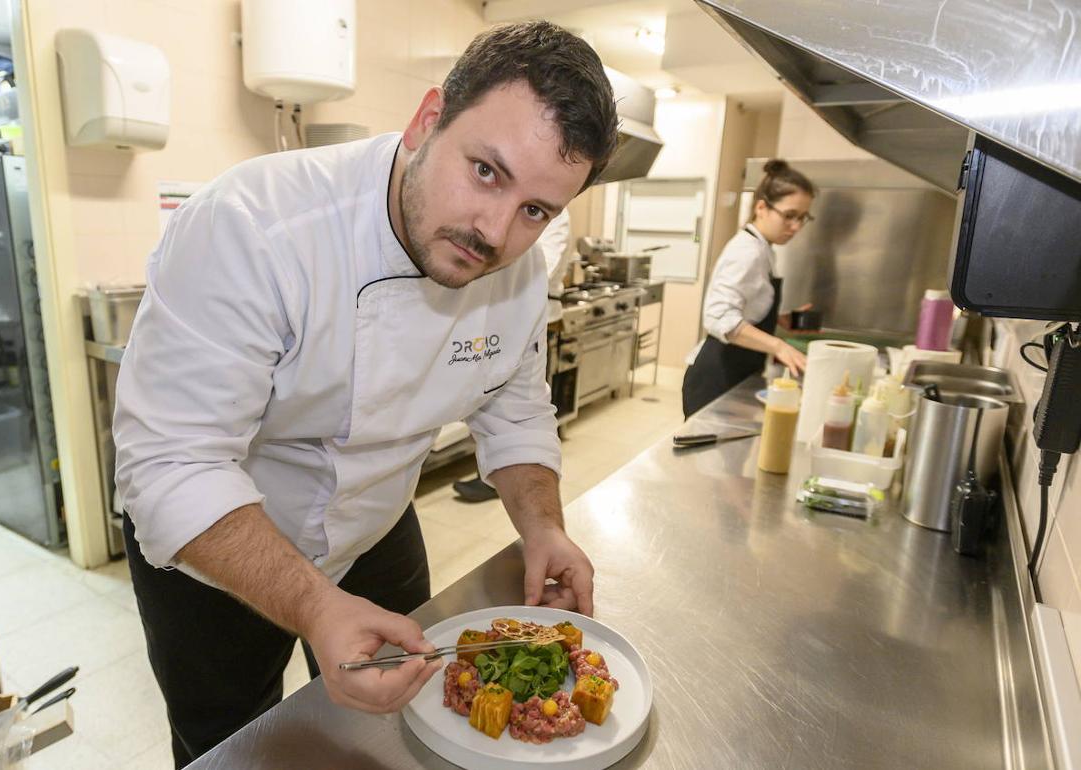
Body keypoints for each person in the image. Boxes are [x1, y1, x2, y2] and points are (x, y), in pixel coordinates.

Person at [112, 21, 619, 766]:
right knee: (231, 743)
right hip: (218, 544)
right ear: (426, 119)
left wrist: (541, 527)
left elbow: (513, 403)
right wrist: (316, 604)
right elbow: (170, 468)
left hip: (377, 528)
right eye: (485, 171)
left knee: (390, 736)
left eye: (537, 210)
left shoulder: (516, 267)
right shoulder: (254, 226)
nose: (495, 230)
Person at [681, 159, 815, 419]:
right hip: (716, 377)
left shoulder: (763, 248)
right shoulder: (748, 252)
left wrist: (782, 319)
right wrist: (779, 346)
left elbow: (745, 306)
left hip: (735, 372)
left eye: (802, 217)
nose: (796, 226)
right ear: (762, 208)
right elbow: (719, 317)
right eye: (789, 215)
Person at [453, 207, 571, 502]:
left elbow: (547, 264)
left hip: (539, 315)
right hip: (507, 308)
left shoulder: (558, 217)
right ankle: (491, 469)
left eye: (534, 210)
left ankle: (497, 475)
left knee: (526, 391)